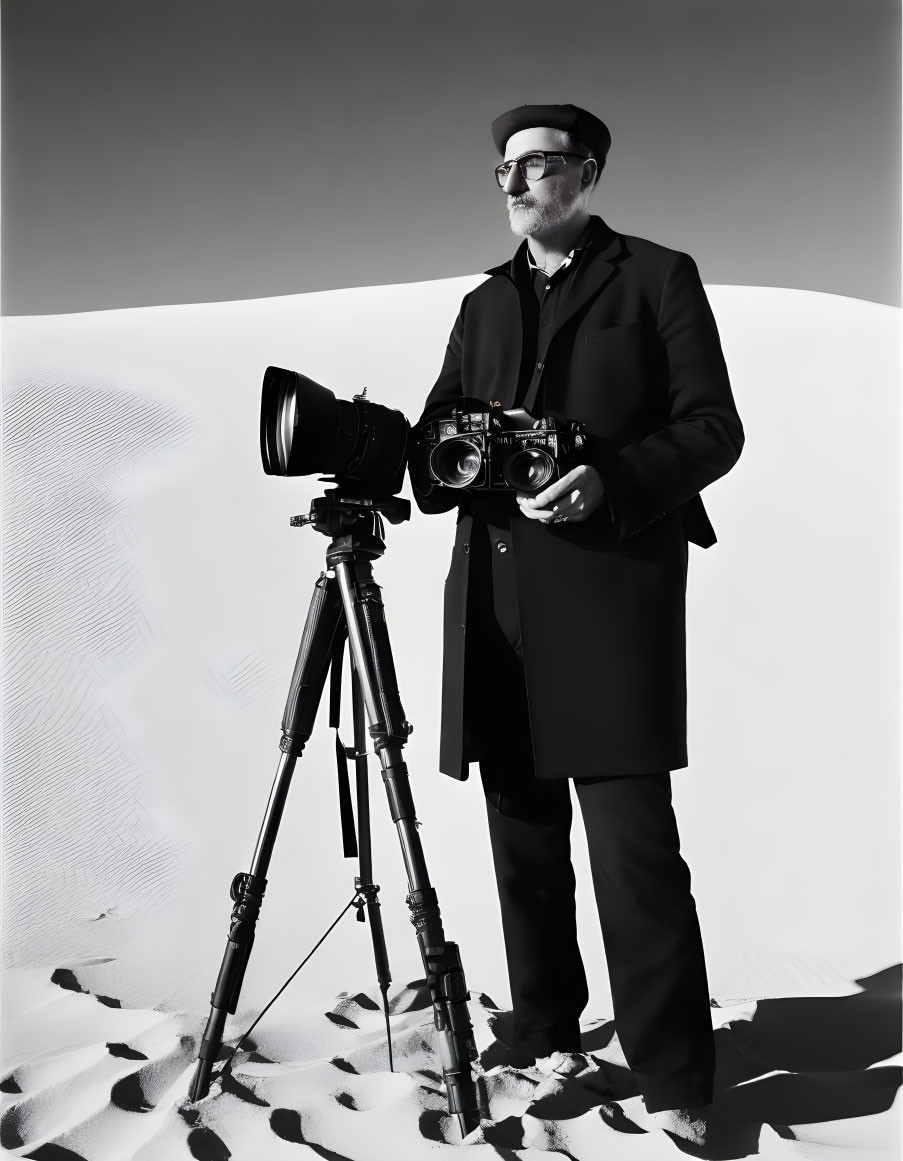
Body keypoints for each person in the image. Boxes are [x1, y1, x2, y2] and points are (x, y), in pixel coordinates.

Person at [411, 103, 744, 1129]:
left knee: (632, 855)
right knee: (521, 845)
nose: (514, 183)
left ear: (586, 172)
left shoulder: (655, 278)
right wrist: (427, 450)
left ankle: (680, 1081)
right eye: (502, 169)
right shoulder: (482, 305)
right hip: (496, 602)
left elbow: (711, 428)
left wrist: (611, 480)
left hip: (607, 602)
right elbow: (438, 442)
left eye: (538, 164)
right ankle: (547, 1025)